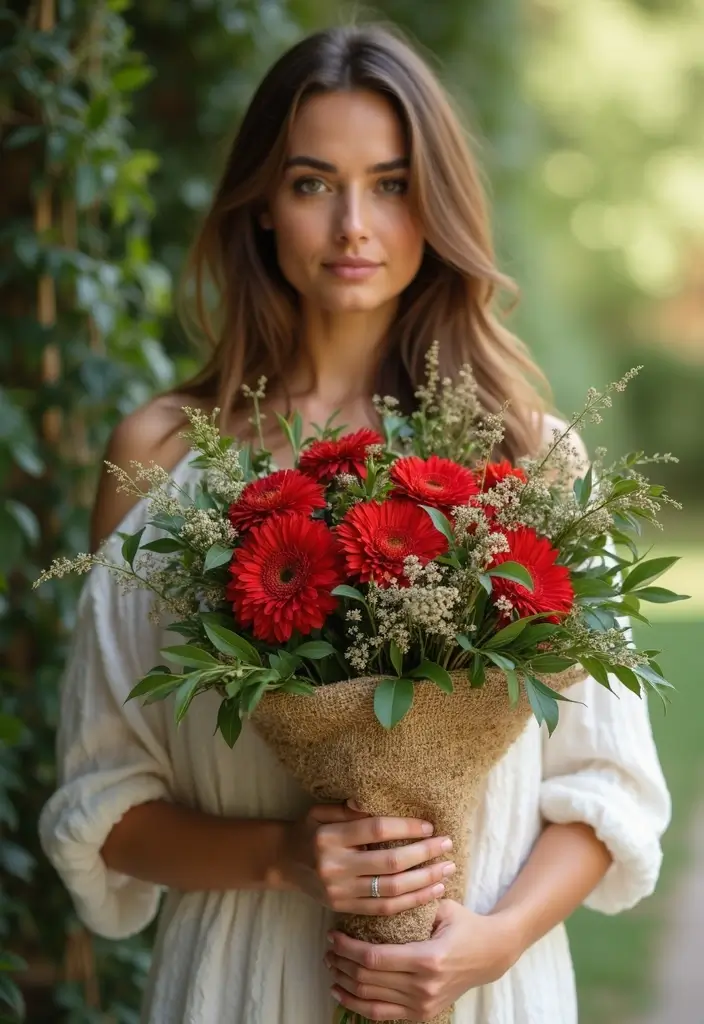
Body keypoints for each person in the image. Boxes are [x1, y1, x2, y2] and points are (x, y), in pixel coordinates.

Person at [39, 23, 670, 1024]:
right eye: (310, 184)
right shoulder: (164, 454)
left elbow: (607, 786)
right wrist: (281, 857)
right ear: (258, 207)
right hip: (241, 986)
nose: (351, 227)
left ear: (438, 205)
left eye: (389, 183)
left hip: (472, 987)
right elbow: (102, 806)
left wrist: (489, 944)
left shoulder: (529, 460)